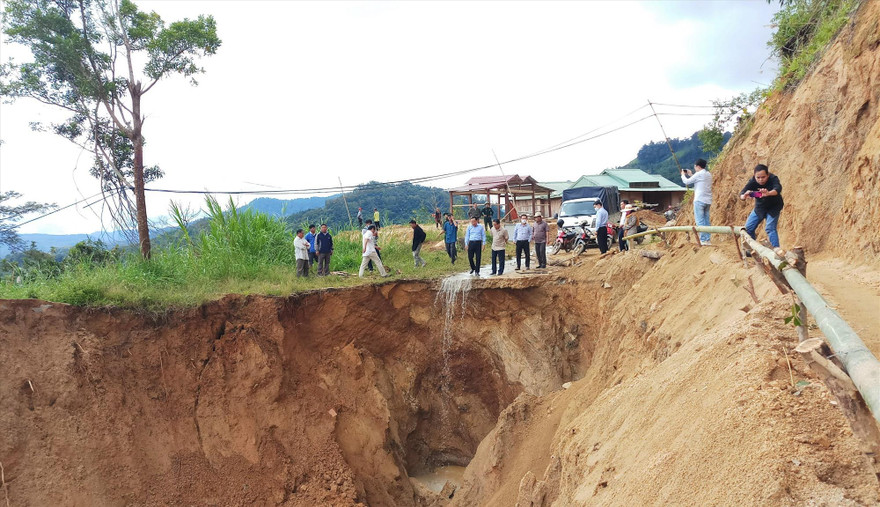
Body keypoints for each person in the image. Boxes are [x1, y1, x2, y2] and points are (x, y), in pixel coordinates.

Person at [740, 164, 784, 248]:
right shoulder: (752, 181)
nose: (760, 180)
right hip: (760, 207)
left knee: (770, 228)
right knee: (748, 228)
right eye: (758, 177)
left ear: (768, 175)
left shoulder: (773, 178)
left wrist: (768, 193)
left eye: (763, 177)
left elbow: (777, 189)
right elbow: (742, 193)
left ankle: (776, 251)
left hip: (773, 207)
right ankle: (752, 249)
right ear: (754, 176)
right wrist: (744, 196)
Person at [681, 158, 713, 245]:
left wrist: (683, 175)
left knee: (700, 221)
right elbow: (699, 180)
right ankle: (707, 239)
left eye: (695, 166)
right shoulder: (708, 174)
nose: (694, 167)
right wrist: (691, 174)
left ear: (698, 166)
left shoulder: (698, 174)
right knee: (706, 220)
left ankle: (703, 240)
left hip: (699, 200)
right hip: (708, 201)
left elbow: (687, 182)